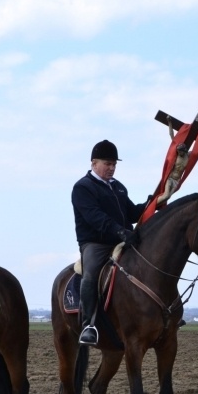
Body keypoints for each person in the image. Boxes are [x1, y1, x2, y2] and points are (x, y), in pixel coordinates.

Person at [71, 140, 147, 346]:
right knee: (91, 274)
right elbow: (94, 217)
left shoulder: (119, 187)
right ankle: (89, 325)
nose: (112, 168)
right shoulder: (82, 188)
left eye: (114, 164)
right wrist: (119, 230)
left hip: (123, 239)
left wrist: (152, 202)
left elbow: (131, 213)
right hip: (96, 244)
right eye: (108, 163)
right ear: (94, 163)